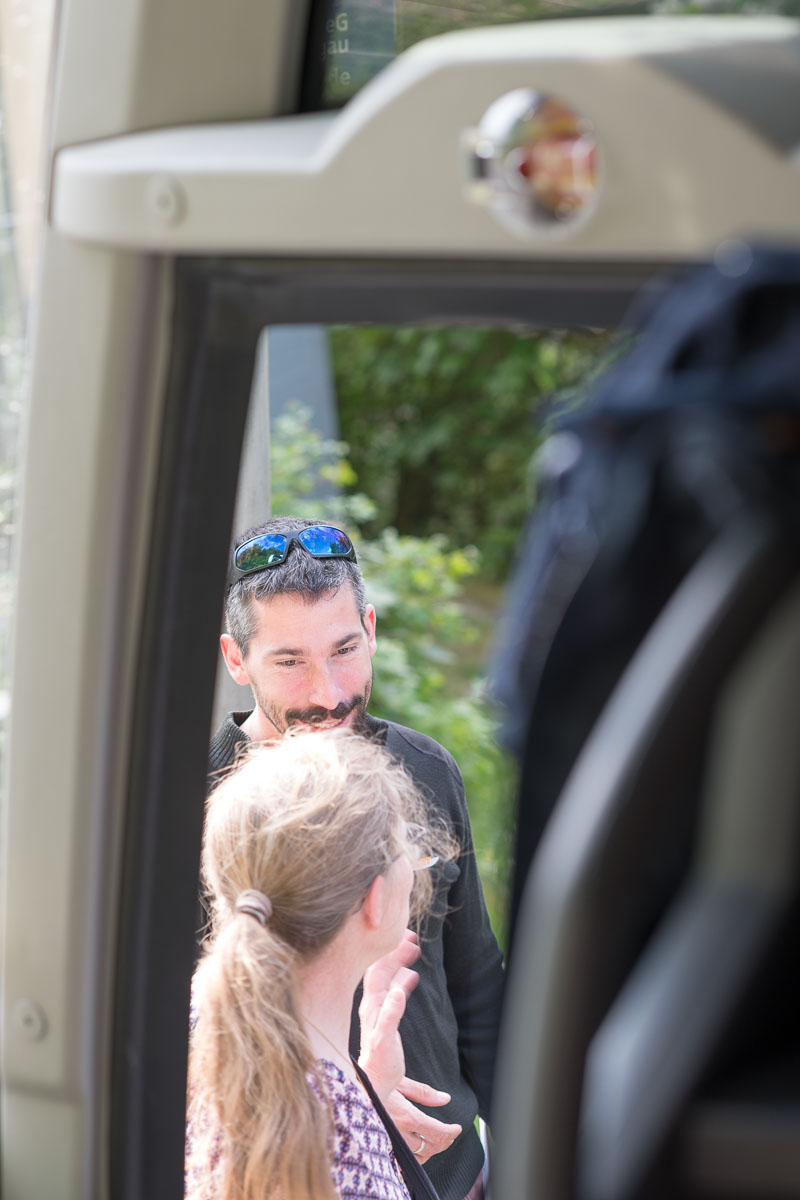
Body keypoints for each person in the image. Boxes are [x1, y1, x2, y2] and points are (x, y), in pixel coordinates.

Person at [208, 517, 505, 1200]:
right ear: (236, 659)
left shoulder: (425, 768)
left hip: (458, 1179)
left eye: (344, 649)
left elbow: (477, 985)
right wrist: (352, 1103)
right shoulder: (190, 805)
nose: (328, 692)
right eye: (290, 662)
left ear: (370, 630)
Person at [186, 729, 456, 1200]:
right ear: (374, 900)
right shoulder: (343, 1145)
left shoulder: (195, 1021)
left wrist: (368, 1087)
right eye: (406, 848)